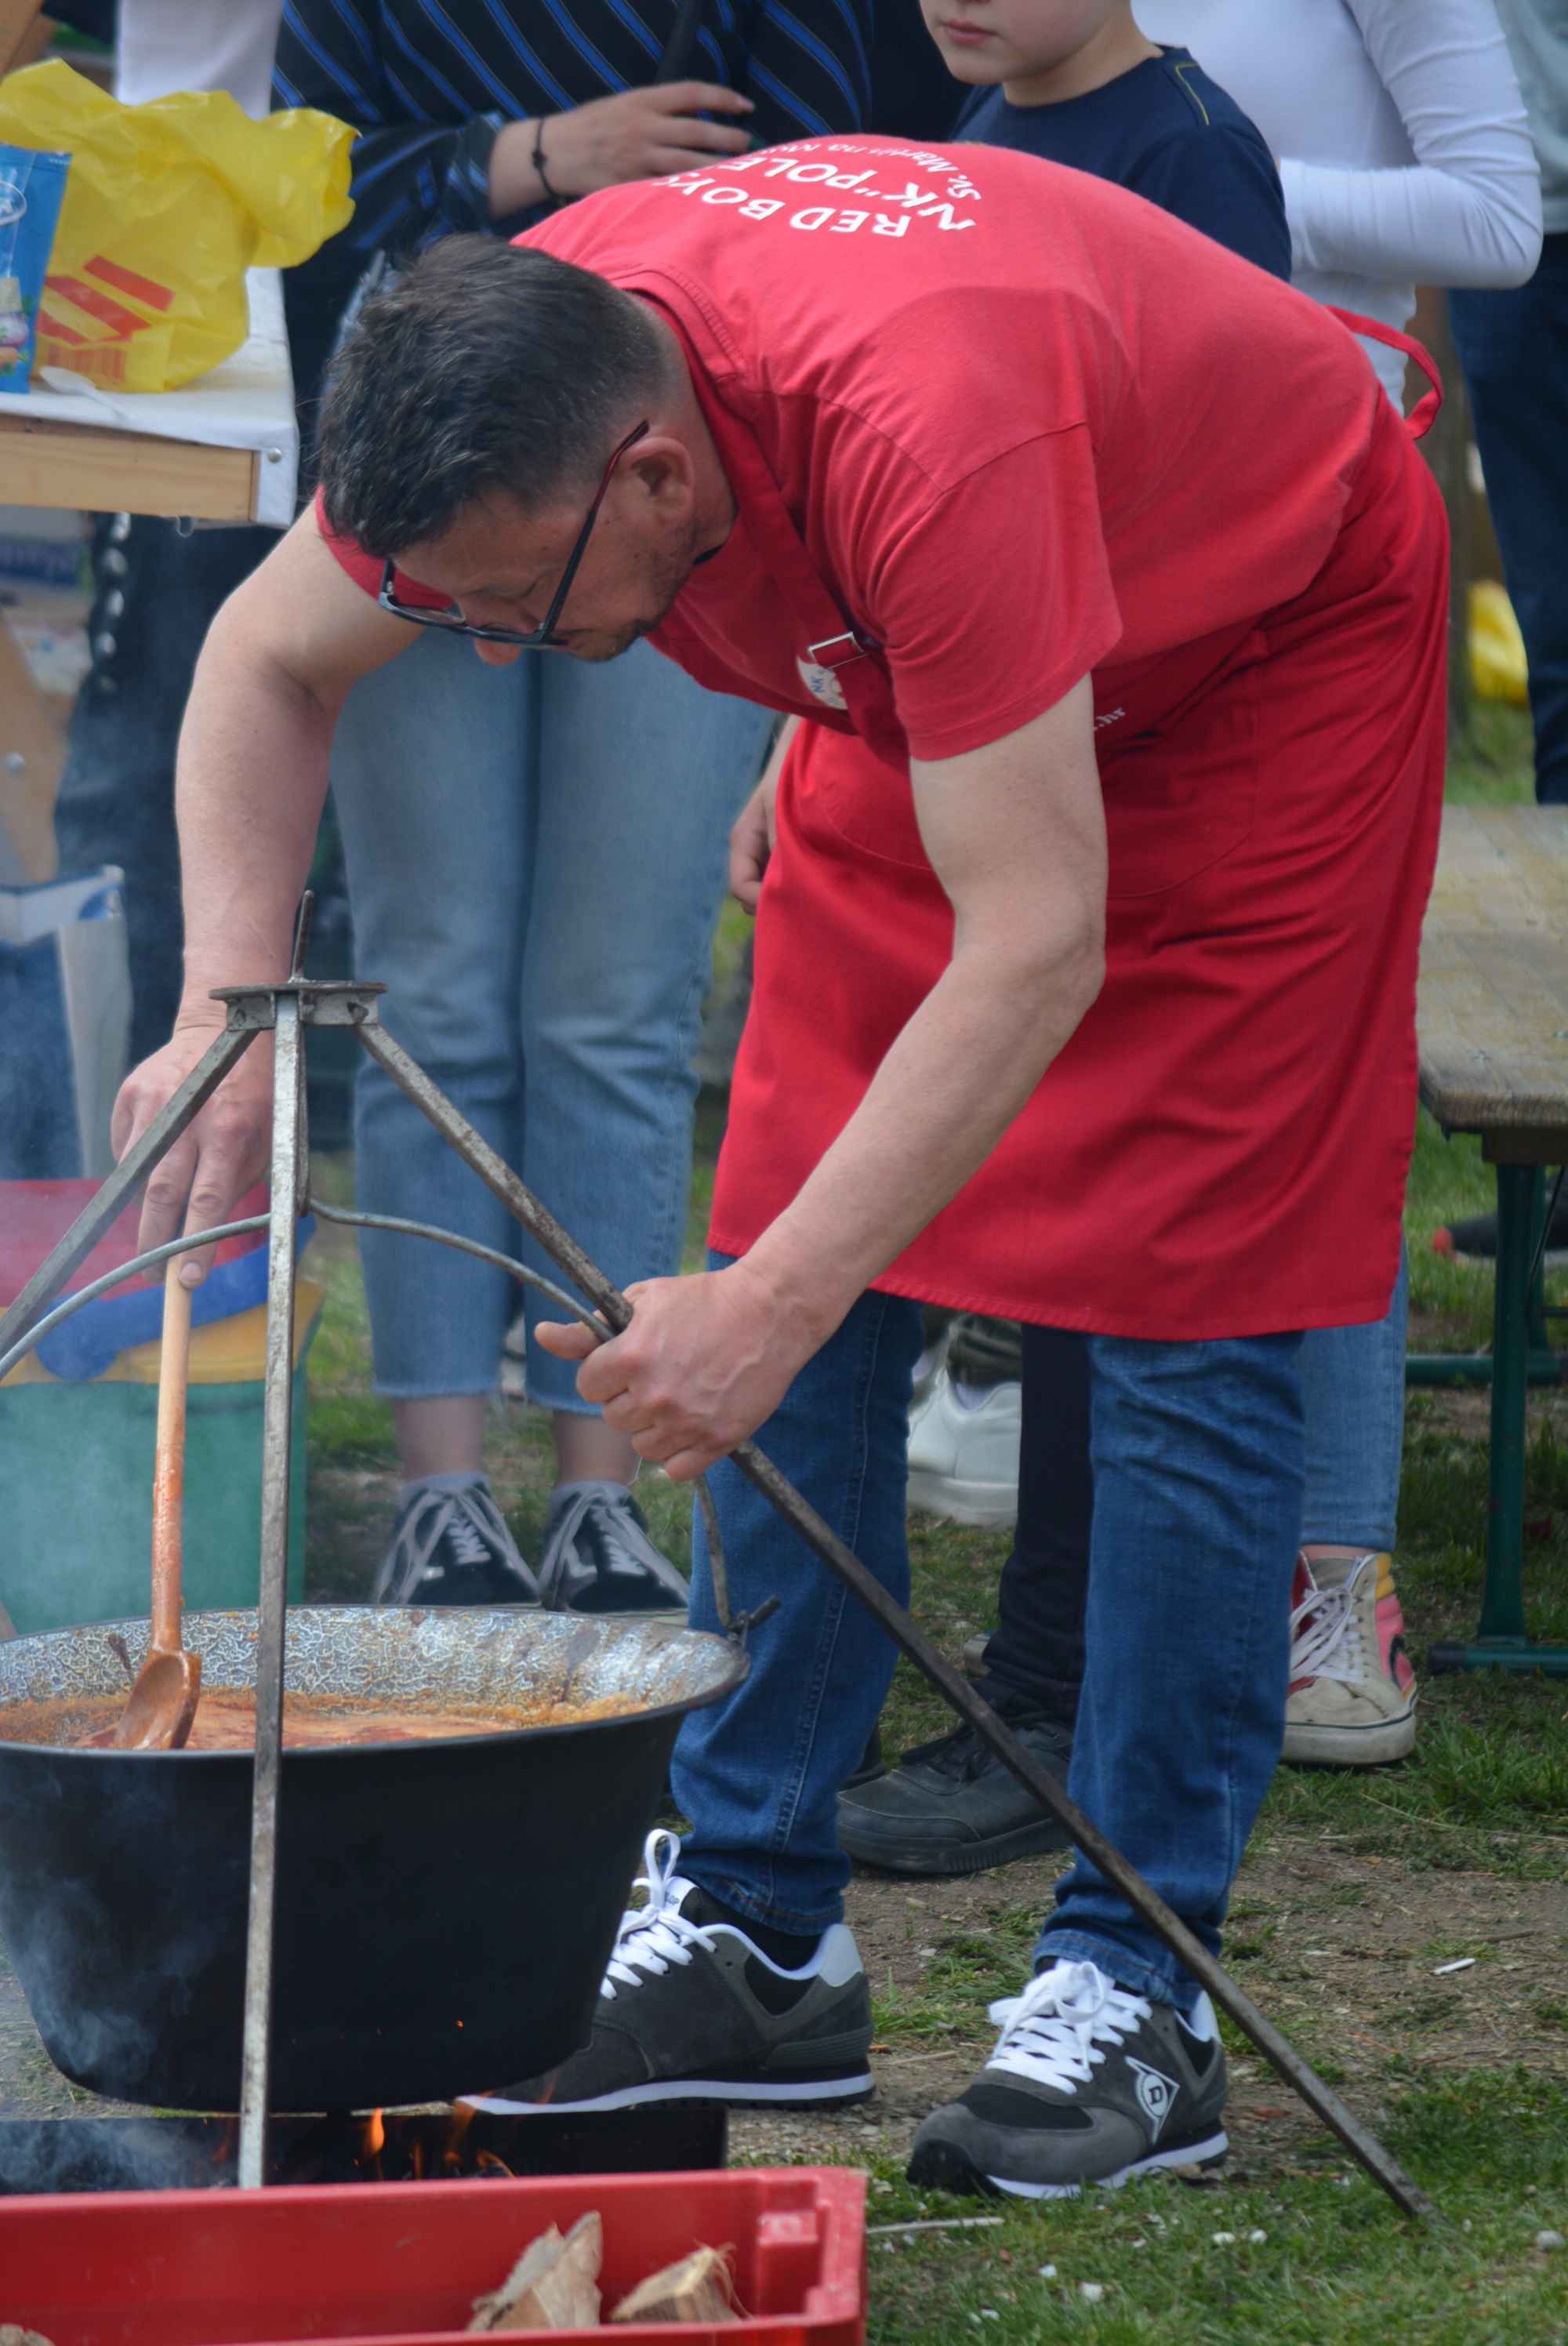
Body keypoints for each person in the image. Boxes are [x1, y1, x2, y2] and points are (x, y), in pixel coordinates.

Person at [117, 120, 1449, 2197]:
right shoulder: (526, 368)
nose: (489, 647)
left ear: (655, 477)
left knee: (1181, 1295)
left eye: (518, 605)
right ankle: (754, 1921)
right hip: (942, 670)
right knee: (775, 1244)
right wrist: (223, 1003)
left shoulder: (929, 427)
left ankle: (1141, 1979)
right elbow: (265, 660)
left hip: (1261, 659)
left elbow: (1039, 936)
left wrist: (781, 1301)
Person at [866, 0, 1544, 1886]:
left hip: (1184, 721)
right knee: (1060, 1225)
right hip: (1044, 707)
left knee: (1160, 1224)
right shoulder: (995, 114)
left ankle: (1129, 1677)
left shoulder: (1180, 148)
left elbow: (1224, 483)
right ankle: (1054, 1677)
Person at [270, 2, 870, 1612]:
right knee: (434, 988)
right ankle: (440, 1499)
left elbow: (825, 180)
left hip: (663, 452)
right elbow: (298, 179)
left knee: (612, 1004)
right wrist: (531, 157)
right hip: (429, 445)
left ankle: (602, 1494)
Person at [46, 0, 286, 1068]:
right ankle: (95, 1129)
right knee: (144, 752)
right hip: (186, 278)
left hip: (427, 263)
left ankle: (214, 1118)